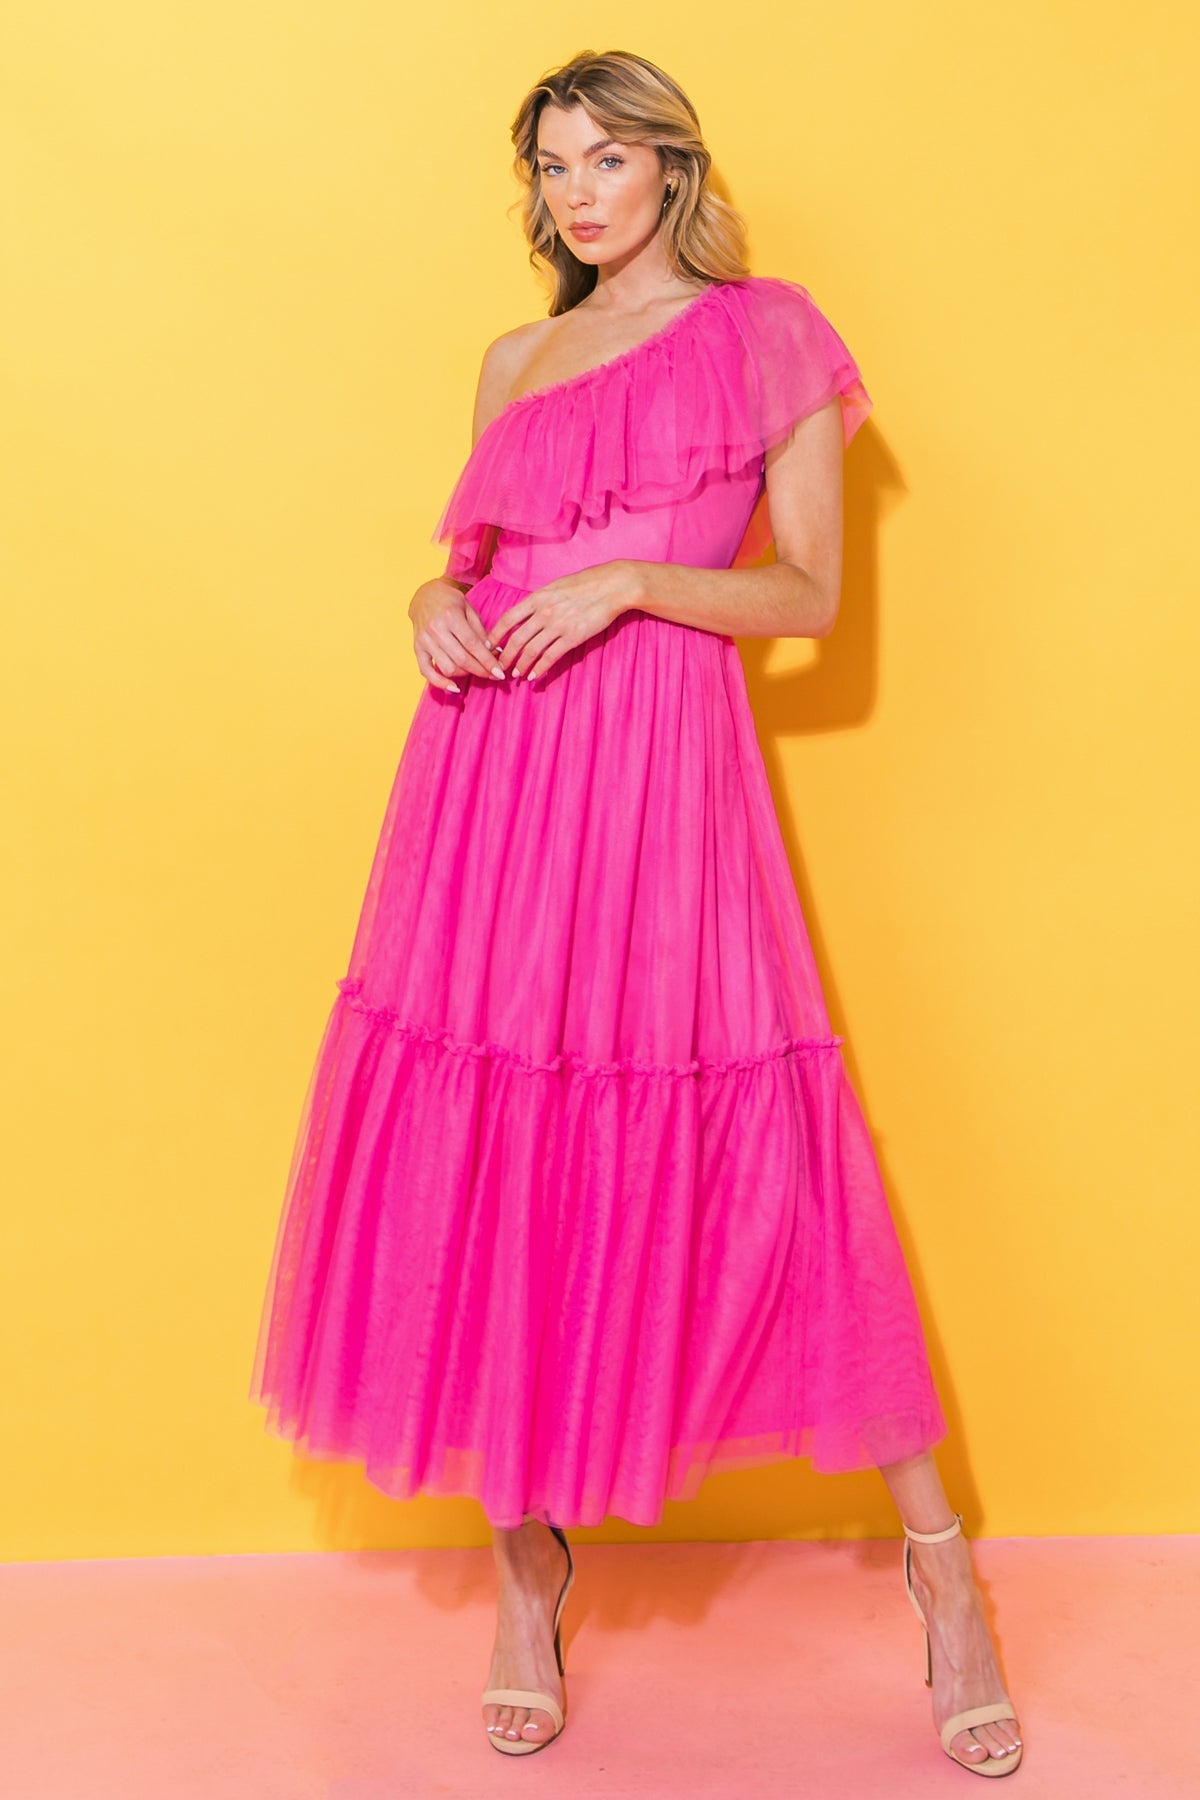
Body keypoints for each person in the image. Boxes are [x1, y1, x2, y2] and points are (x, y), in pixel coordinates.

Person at [249, 48, 1024, 1780]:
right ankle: (526, 1574)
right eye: (549, 167)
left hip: (662, 777)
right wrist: (427, 608)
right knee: (501, 1150)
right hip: (485, 784)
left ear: (673, 169)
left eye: (604, 157)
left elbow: (806, 591)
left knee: (761, 1123)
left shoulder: (769, 333)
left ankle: (944, 1573)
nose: (574, 192)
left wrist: (631, 584)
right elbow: (471, 565)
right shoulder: (514, 356)